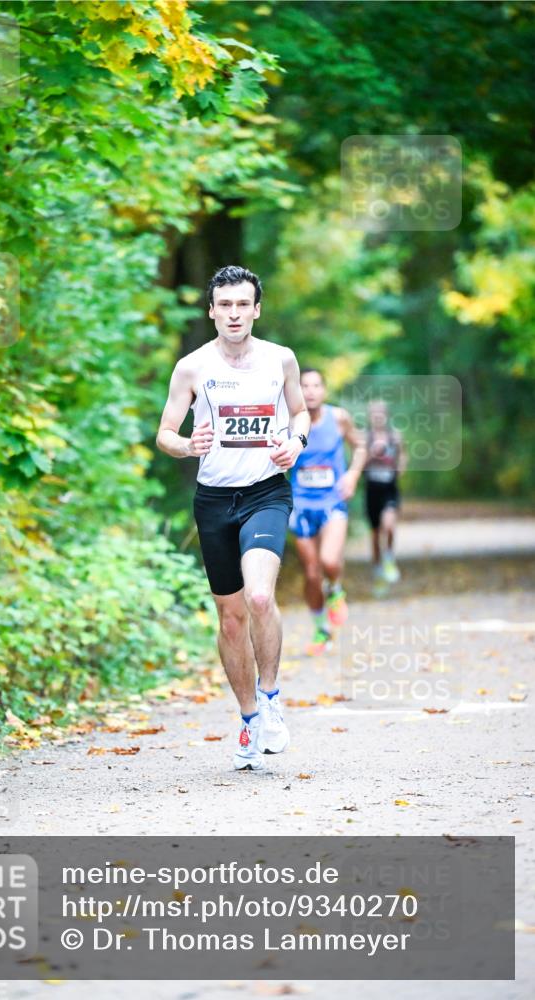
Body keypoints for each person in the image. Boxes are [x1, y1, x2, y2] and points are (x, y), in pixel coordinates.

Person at [156, 265, 310, 772]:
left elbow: (301, 412)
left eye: (243, 304)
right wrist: (186, 445)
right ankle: (248, 719)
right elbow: (166, 435)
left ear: (257, 308)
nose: (234, 313)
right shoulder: (192, 367)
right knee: (230, 615)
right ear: (212, 311)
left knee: (260, 595)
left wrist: (295, 442)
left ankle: (270, 699)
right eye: (225, 305)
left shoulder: (280, 359)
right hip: (214, 500)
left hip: (266, 492)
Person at [289, 369, 366, 653]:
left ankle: (335, 589)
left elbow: (360, 446)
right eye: (304, 386)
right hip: (300, 504)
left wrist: (353, 475)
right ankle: (321, 629)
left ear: (324, 390)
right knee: (311, 573)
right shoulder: (288, 421)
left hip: (332, 501)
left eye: (315, 385)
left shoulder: (338, 418)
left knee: (329, 561)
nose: (310, 391)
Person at [363, 399, 407, 584]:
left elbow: (403, 454)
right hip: (372, 488)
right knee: (375, 532)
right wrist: (372, 455)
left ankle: (389, 557)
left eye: (381, 413)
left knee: (389, 525)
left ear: (386, 415)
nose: (378, 417)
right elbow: (359, 463)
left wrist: (401, 467)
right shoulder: (365, 438)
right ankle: (377, 568)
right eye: (374, 413)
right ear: (370, 416)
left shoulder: (394, 436)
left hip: (389, 487)